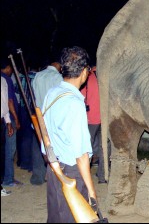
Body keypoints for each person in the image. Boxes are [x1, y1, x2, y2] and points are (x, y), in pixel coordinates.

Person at [42, 46, 97, 222]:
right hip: (71, 173)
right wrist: (91, 191)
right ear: (83, 71)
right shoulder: (74, 103)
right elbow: (81, 156)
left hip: (54, 169)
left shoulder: (52, 93)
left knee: (56, 216)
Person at [30, 58, 63, 185]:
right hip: (52, 119)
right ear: (59, 65)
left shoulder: (38, 75)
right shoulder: (58, 78)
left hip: (39, 117)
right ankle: (53, 176)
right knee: (53, 149)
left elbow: (34, 95)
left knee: (38, 147)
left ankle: (37, 176)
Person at [80, 65, 106, 184]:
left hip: (90, 118)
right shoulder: (106, 76)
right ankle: (102, 176)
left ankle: (85, 176)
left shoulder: (87, 78)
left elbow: (81, 98)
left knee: (87, 148)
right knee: (105, 147)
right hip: (105, 117)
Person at [1, 59, 22, 187]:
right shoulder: (5, 79)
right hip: (7, 118)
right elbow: (9, 101)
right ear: (8, 67)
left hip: (4, 118)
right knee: (10, 149)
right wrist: (15, 119)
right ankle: (8, 178)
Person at [1, 76, 14, 196]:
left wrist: (8, 121)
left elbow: (5, 103)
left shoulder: (3, 80)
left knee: (1, 154)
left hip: (1, 121)